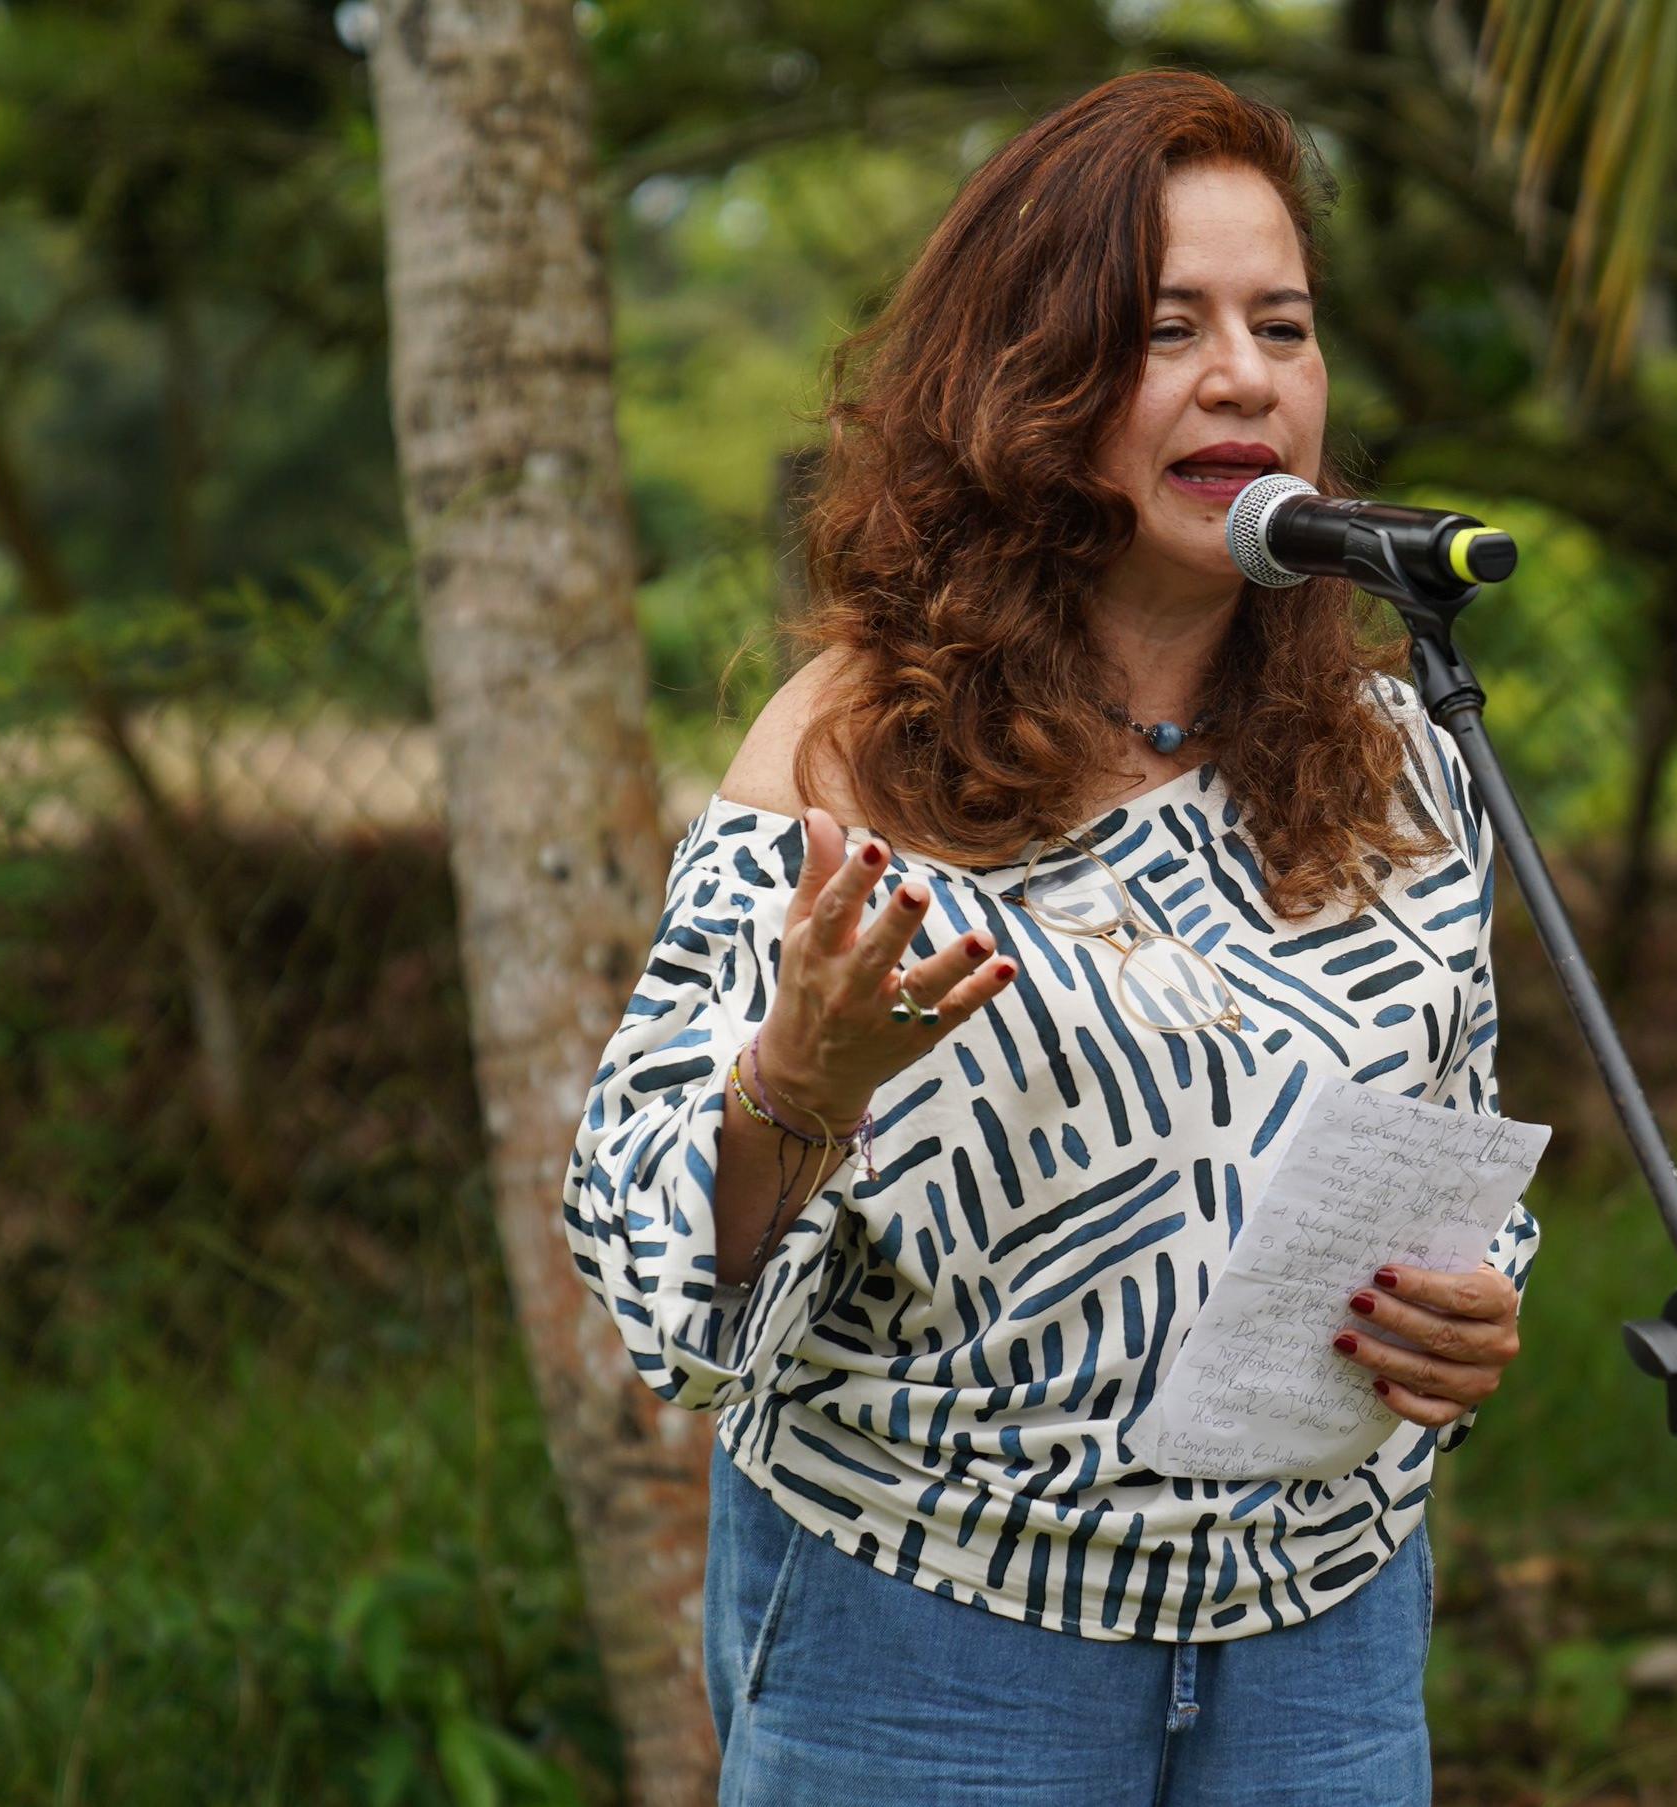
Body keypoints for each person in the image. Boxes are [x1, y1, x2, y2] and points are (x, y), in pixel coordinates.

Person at [555, 68, 1543, 1807]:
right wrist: (799, 1079)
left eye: (1282, 324)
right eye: (1168, 328)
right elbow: (654, 1275)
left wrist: (1471, 1315)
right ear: (1035, 382)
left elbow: (1452, 1152)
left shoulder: (1399, 760)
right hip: (931, 1641)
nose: (1246, 372)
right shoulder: (856, 744)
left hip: (1322, 1633)